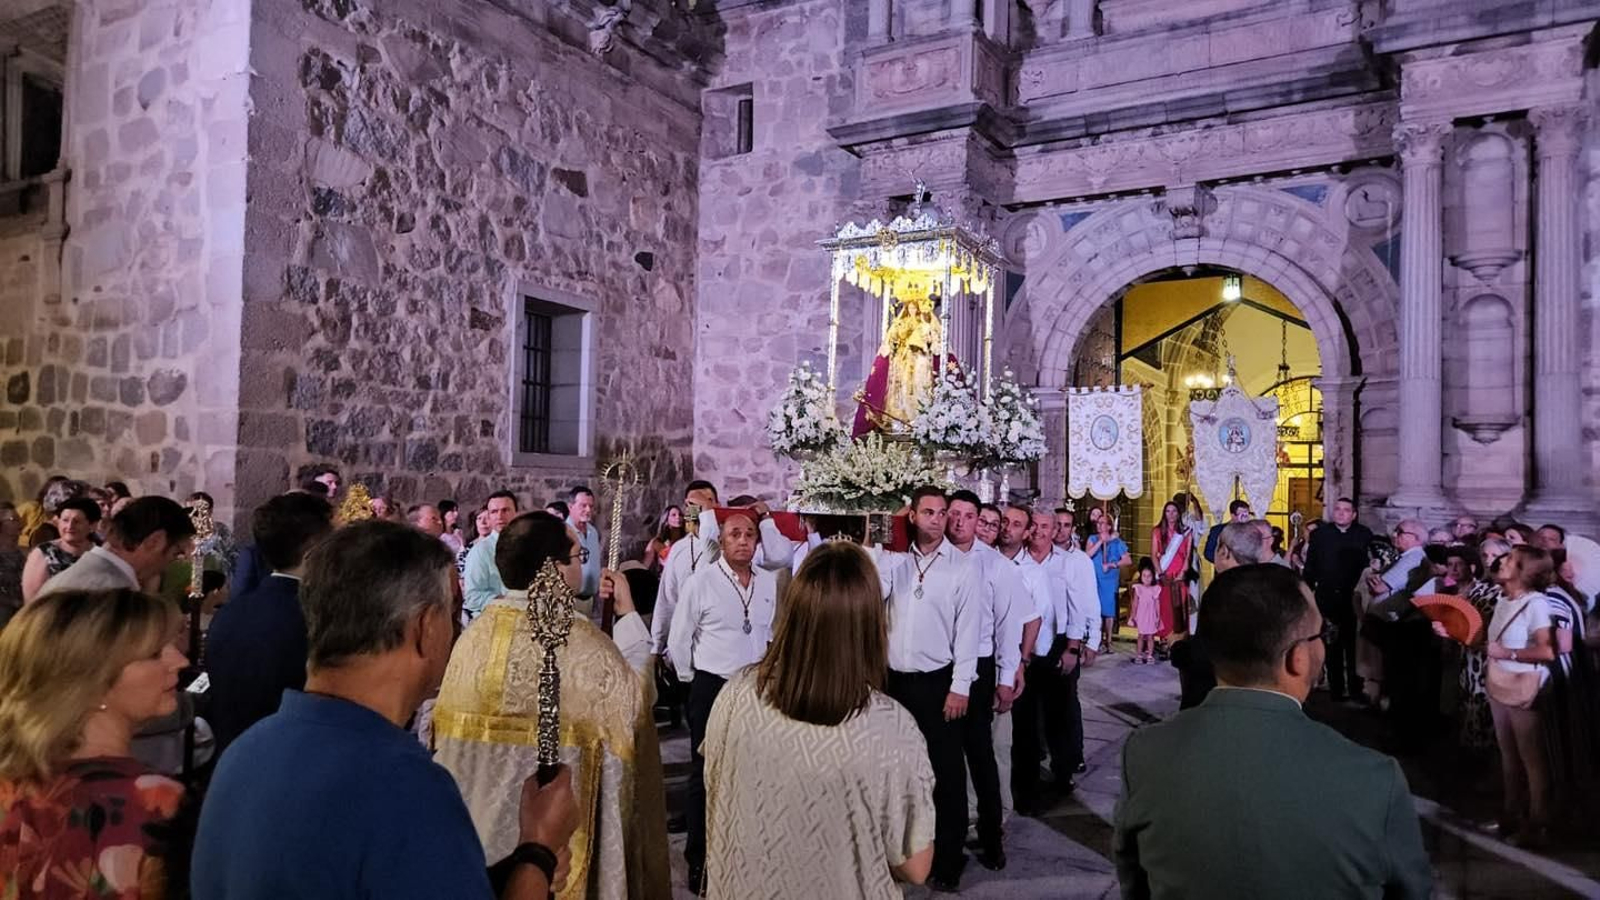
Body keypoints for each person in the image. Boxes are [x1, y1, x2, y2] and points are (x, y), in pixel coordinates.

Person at [193, 521, 579, 899]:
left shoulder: (245, 753)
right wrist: (538, 849)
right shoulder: (403, 785)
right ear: (425, 626)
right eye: (452, 608)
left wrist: (508, 874)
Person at [1113, 565, 1431, 900]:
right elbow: (1411, 891)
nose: (1322, 646)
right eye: (1321, 635)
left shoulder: (1145, 753)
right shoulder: (1374, 778)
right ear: (1298, 658)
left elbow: (1135, 882)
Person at [433, 512, 669, 898]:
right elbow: (637, 702)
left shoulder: (471, 641)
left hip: (475, 855)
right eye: (577, 556)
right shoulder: (582, 645)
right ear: (552, 568)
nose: (582, 566)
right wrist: (627, 616)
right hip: (556, 857)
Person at [701, 542, 935, 898]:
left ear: (792, 611)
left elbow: (716, 789)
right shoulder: (889, 727)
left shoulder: (736, 695)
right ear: (871, 623)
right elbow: (915, 866)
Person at [0, 588, 191, 900]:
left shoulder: (14, 785)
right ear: (90, 683)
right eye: (155, 653)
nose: (180, 661)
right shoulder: (154, 801)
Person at [872, 486, 979, 891]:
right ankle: (898, 856)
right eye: (929, 512)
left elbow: (969, 632)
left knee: (946, 776)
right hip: (894, 683)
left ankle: (948, 861)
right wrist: (887, 543)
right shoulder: (895, 561)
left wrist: (960, 687)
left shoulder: (962, 567)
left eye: (943, 513)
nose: (937, 519)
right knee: (895, 773)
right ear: (913, 516)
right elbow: (870, 593)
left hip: (939, 685)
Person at [666, 510, 776, 893]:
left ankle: (745, 852)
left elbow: (774, 633)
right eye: (735, 534)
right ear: (722, 541)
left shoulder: (769, 583)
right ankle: (699, 859)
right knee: (705, 774)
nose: (743, 540)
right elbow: (679, 639)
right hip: (711, 685)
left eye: (749, 534)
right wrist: (690, 680)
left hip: (756, 689)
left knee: (753, 773)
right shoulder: (702, 582)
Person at [205, 492, 334, 753]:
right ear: (313, 555)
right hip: (288, 761)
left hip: (228, 761)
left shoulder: (231, 612)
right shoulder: (320, 621)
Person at [944, 490, 1028, 871]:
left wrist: (1006, 677)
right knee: (945, 758)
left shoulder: (996, 566)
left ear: (979, 521)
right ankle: (949, 831)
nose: (960, 522)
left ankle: (992, 837)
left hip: (978, 667)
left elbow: (1009, 627)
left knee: (981, 756)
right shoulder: (935, 557)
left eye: (968, 516)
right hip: (940, 664)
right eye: (954, 514)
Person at [1481, 545, 1557, 847]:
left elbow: (1548, 649)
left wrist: (1509, 653)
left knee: (1532, 761)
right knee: (1508, 757)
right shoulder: (1503, 600)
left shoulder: (1536, 604)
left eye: (1510, 559)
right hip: (1499, 683)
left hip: (1524, 686)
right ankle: (1510, 815)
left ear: (1525, 570)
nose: (1502, 561)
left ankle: (1538, 824)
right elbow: (1491, 644)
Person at [1012, 508, 1077, 813]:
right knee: (1025, 723)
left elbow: (1076, 606)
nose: (1038, 531)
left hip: (1050, 648)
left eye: (1044, 526)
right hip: (1020, 652)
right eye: (1032, 525)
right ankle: (1025, 785)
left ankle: (1062, 773)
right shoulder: (1016, 561)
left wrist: (1076, 646)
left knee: (1057, 715)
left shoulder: (1070, 562)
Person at [993, 505, 1054, 820]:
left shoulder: (1033, 572)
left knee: (1024, 732)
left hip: (1022, 660)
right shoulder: (985, 559)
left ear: (1026, 532)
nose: (1008, 528)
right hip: (990, 657)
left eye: (1017, 524)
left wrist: (1023, 662)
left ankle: (1026, 793)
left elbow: (1037, 618)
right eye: (1004, 521)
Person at [35, 497, 196, 600]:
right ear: (155, 541)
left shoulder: (91, 571)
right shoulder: (112, 592)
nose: (168, 565)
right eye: (175, 553)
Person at [1302, 498, 1374, 702]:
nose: (1341, 513)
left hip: (1354, 598)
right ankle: (1336, 689)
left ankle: (1355, 688)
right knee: (1331, 643)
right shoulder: (1321, 535)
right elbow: (1311, 565)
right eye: (1338, 509)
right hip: (1327, 597)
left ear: (1354, 514)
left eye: (1346, 510)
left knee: (1354, 645)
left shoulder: (1364, 535)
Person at [19, 496, 100, 603]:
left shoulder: (99, 553)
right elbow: (32, 600)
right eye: (65, 520)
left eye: (77, 521)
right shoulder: (44, 553)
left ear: (92, 526)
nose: (70, 526)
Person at [461, 490, 519, 619]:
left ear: (516, 513)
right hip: (495, 621)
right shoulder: (480, 551)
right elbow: (472, 597)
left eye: (505, 510)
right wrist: (510, 602)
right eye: (494, 512)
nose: (499, 516)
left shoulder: (529, 546)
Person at [1150, 501, 1195, 643]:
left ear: (1178, 513)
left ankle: (1179, 640)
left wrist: (1182, 573)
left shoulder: (1186, 532)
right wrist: (1160, 573)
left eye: (1174, 511)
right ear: (1164, 513)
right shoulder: (1157, 531)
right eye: (1168, 511)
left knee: (1179, 609)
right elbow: (1153, 554)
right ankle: (1164, 640)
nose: (1171, 514)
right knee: (1165, 610)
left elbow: (1188, 555)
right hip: (1164, 575)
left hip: (1179, 576)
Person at [1087, 514, 1132, 651]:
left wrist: (1113, 565)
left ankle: (1109, 640)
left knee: (1109, 610)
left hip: (1109, 579)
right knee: (1096, 609)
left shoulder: (1117, 542)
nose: (1100, 525)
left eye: (1103, 523)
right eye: (1098, 523)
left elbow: (1127, 560)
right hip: (1095, 577)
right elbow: (1087, 555)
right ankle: (1096, 639)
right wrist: (1101, 541)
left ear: (1109, 526)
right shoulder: (1092, 539)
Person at [566, 486, 602, 610]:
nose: (588, 510)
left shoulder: (593, 532)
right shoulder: (564, 533)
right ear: (570, 507)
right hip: (569, 600)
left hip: (589, 600)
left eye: (591, 506)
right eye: (583, 505)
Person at [1128, 560, 1162, 664]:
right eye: (1144, 576)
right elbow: (1135, 604)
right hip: (1141, 615)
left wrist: (1158, 616)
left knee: (1151, 636)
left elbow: (1157, 603)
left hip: (1151, 615)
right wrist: (1132, 616)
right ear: (1141, 576)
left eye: (1149, 576)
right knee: (1141, 636)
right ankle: (1138, 655)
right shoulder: (1138, 588)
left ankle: (1150, 655)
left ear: (1153, 577)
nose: (1146, 578)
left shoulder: (1155, 589)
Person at [1203, 499, 1252, 565]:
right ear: (1233, 515)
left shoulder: (1252, 531)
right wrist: (1225, 562)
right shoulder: (1217, 530)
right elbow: (1208, 553)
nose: (1245, 519)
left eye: (1247, 515)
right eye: (1242, 515)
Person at [0, 502, 23, 628]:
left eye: (19, 519)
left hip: (22, 614)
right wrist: (13, 602)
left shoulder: (24, 553)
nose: (20, 523)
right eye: (13, 519)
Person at [643, 505, 686, 570]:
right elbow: (645, 565)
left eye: (680, 515)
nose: (678, 517)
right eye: (673, 515)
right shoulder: (657, 542)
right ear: (666, 519)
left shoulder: (686, 540)